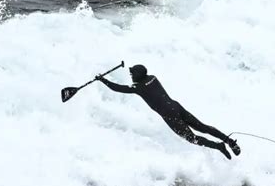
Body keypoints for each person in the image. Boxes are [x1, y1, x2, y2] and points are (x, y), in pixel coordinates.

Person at [95, 64, 241, 160]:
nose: (131, 75)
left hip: (169, 115)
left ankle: (219, 146)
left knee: (192, 138)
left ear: (138, 75)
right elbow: (138, 84)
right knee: (203, 127)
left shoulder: (138, 87)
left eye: (133, 73)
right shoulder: (153, 78)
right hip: (176, 106)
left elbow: (118, 88)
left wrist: (102, 80)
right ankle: (229, 141)